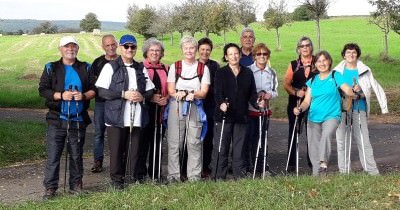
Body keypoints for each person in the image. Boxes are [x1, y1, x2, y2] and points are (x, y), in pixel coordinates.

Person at [39, 36, 95, 199]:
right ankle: (50, 188)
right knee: (53, 154)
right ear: (60, 49)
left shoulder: (86, 67)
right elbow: (43, 89)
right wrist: (60, 95)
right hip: (57, 119)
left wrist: (83, 96)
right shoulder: (51, 67)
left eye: (73, 46)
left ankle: (76, 185)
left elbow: (94, 89)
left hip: (78, 118)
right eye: (66, 47)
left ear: (77, 49)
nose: (70, 49)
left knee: (76, 154)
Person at [95, 34, 155, 189]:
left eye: (132, 47)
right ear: (120, 48)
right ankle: (117, 182)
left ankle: (132, 178)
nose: (129, 49)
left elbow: (150, 91)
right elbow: (101, 91)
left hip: (137, 117)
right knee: (116, 151)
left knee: (135, 150)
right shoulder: (111, 67)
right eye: (126, 46)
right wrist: (123, 94)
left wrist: (142, 96)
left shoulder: (141, 68)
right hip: (116, 117)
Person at [293, 50, 358, 176]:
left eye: (324, 60)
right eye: (319, 61)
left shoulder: (335, 75)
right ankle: (317, 175)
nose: (322, 63)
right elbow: (307, 101)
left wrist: (353, 92)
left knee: (326, 135)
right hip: (313, 117)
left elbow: (347, 89)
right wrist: (299, 108)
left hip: (332, 115)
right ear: (315, 64)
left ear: (329, 61)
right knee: (313, 147)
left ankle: (323, 163)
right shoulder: (312, 81)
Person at [211, 43, 264, 180]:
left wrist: (257, 102)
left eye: (236, 53)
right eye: (230, 54)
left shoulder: (247, 72)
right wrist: (221, 103)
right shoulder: (220, 73)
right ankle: (218, 177)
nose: (234, 56)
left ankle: (238, 177)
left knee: (239, 149)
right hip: (224, 116)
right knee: (221, 148)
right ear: (226, 57)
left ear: (240, 55)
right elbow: (217, 93)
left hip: (241, 116)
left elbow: (252, 94)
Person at [333, 43, 388, 175]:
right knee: (342, 140)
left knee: (363, 140)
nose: (351, 55)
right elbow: (336, 89)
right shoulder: (337, 71)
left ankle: (371, 171)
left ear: (357, 54)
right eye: (348, 52)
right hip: (342, 110)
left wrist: (360, 92)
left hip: (359, 108)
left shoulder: (364, 70)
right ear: (344, 55)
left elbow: (371, 89)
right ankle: (344, 171)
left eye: (354, 52)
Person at [166, 35, 210, 183]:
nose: (189, 51)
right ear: (182, 50)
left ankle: (194, 177)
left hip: (195, 106)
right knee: (174, 142)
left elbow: (203, 93)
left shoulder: (203, 68)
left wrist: (192, 94)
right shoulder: (175, 66)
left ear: (196, 50)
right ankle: (174, 176)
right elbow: (171, 89)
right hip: (176, 107)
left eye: (192, 48)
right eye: (186, 48)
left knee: (194, 142)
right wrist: (179, 94)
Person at [136, 38, 169, 181]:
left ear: (161, 53)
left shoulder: (167, 68)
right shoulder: (139, 67)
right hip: (144, 109)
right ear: (146, 52)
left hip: (161, 110)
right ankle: (140, 174)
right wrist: (150, 98)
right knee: (142, 143)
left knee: (157, 143)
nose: (155, 53)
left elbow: (171, 87)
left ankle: (155, 174)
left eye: (158, 50)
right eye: (152, 50)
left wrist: (166, 98)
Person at [283, 36, 317, 173]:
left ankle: (313, 162)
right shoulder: (293, 64)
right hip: (295, 102)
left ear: (311, 47)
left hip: (314, 103)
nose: (305, 48)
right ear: (298, 48)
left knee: (312, 132)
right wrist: (295, 92)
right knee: (294, 131)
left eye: (307, 45)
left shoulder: (318, 62)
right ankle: (291, 164)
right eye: (302, 46)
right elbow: (286, 84)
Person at [245, 43, 278, 176]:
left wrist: (269, 95)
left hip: (264, 111)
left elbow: (276, 91)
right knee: (249, 138)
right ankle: (248, 167)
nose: (262, 56)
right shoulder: (248, 70)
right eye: (259, 54)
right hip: (250, 110)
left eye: (264, 54)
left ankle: (263, 166)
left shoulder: (272, 72)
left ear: (268, 56)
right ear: (254, 56)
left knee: (262, 138)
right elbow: (245, 91)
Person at [91, 34, 118, 173]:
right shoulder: (97, 63)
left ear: (117, 45)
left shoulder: (123, 60)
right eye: (107, 45)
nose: (111, 47)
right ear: (103, 47)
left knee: (118, 133)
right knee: (99, 133)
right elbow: (94, 84)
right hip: (101, 103)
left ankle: (119, 160)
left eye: (113, 44)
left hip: (119, 103)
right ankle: (98, 161)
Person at [197, 37, 220, 178]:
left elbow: (216, 86)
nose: (205, 52)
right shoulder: (192, 64)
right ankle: (190, 166)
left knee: (208, 138)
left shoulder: (214, 66)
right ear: (198, 50)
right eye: (202, 49)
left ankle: (205, 166)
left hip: (210, 106)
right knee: (193, 138)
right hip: (195, 105)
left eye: (208, 50)